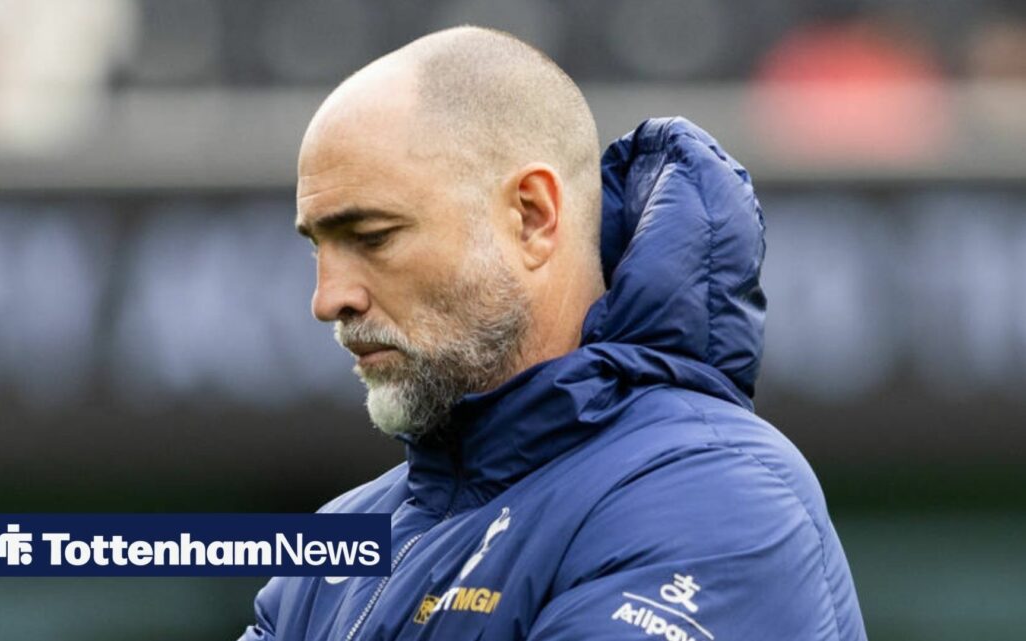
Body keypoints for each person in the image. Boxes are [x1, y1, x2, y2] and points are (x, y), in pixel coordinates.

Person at [240, 26, 867, 641]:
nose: (328, 300)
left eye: (373, 238)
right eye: (317, 247)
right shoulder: (331, 555)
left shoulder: (716, 497)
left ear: (533, 217)